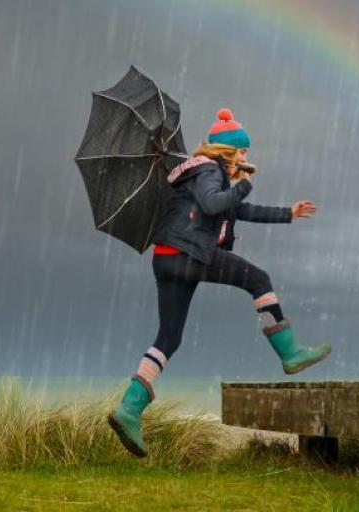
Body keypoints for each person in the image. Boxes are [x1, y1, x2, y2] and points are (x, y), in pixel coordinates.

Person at [107, 108, 332, 457]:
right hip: (191, 253)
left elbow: (240, 210)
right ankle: (290, 352)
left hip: (167, 258)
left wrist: (288, 213)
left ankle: (129, 409)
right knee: (259, 279)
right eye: (242, 151)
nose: (246, 156)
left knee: (169, 338)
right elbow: (214, 206)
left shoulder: (198, 174)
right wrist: (242, 183)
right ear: (226, 151)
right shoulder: (209, 171)